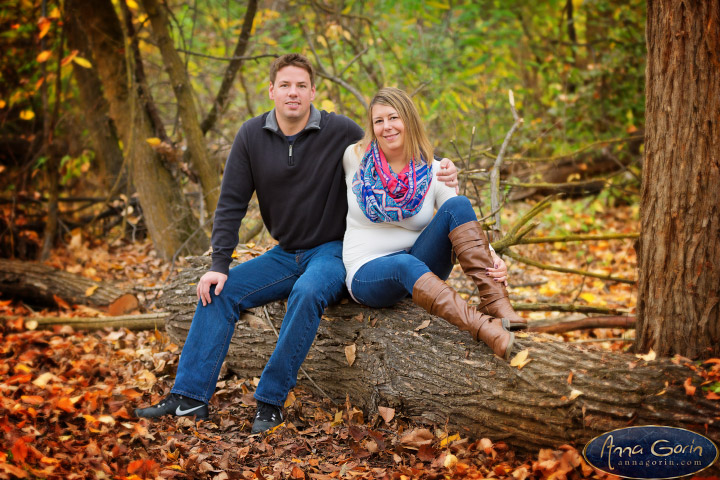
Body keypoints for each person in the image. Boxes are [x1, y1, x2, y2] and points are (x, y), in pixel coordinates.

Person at [134, 54, 459, 433]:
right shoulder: (250, 137)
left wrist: (439, 166)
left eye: (301, 86)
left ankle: (270, 402)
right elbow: (231, 204)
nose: (293, 92)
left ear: (313, 92)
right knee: (219, 292)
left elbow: (389, 146)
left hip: (333, 251)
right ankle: (189, 398)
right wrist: (218, 264)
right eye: (285, 85)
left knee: (307, 293)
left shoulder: (340, 131)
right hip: (284, 253)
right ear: (271, 90)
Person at [342, 87, 527, 362]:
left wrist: (493, 256)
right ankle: (483, 328)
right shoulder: (354, 157)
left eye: (393, 118)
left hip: (420, 268)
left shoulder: (434, 169)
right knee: (406, 264)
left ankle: (495, 301)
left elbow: (460, 218)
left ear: (409, 120)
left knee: (459, 203)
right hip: (368, 271)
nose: (386, 127)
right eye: (378, 121)